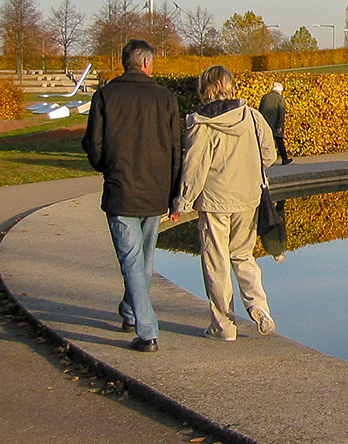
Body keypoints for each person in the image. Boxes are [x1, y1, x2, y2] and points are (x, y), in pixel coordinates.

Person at [81, 39, 181, 353]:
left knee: (133, 261)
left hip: (122, 188)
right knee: (142, 260)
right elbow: (177, 149)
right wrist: (174, 192)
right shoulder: (166, 98)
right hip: (155, 190)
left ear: (125, 63)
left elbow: (93, 146)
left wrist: (106, 167)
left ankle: (146, 329)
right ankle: (131, 313)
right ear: (148, 64)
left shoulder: (105, 96)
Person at [174, 65, 278, 342]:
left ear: (204, 88)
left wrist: (182, 202)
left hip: (214, 201)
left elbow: (194, 168)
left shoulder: (201, 123)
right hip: (248, 198)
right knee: (243, 255)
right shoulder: (251, 116)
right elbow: (268, 155)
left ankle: (223, 326)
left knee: (216, 262)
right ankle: (259, 306)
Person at [258, 82, 293, 165]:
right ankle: (284, 158)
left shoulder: (265, 97)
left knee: (263, 143)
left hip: (265, 123)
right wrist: (280, 125)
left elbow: (260, 110)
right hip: (276, 124)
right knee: (279, 142)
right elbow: (281, 113)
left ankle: (263, 160)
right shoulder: (279, 98)